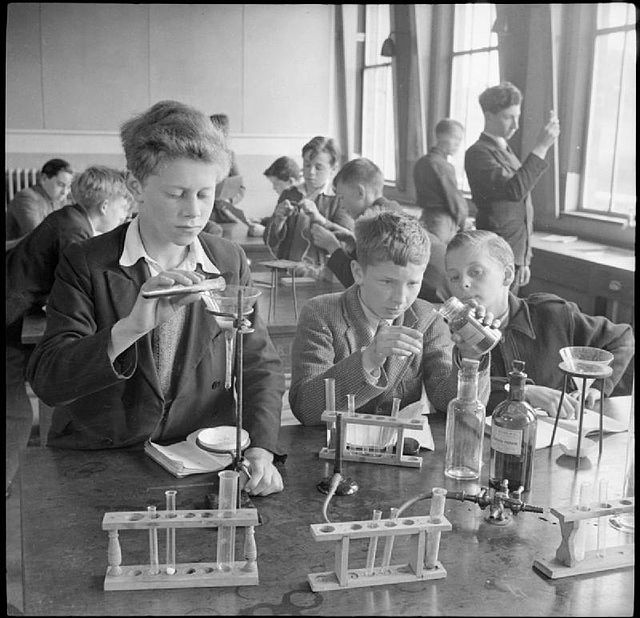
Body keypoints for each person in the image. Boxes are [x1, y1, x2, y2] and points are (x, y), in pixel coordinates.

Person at [26, 100, 286, 496]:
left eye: (204, 193)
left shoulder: (228, 260)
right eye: (177, 194)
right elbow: (49, 381)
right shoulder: (86, 263)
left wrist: (262, 450)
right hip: (103, 459)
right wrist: (129, 329)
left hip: (199, 456)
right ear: (135, 187)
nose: (194, 211)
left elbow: (258, 364)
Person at [289, 208, 500, 426]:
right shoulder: (321, 313)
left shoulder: (426, 317)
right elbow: (306, 409)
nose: (400, 299)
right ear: (358, 272)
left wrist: (470, 358)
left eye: (412, 283)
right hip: (332, 449)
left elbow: (452, 407)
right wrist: (368, 359)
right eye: (387, 282)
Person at [5, 165, 131, 494]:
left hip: (15, 303)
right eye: (123, 206)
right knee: (13, 404)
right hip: (9, 309)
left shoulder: (69, 219)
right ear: (105, 206)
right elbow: (74, 289)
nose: (125, 214)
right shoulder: (75, 232)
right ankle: (9, 479)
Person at [444, 229, 635, 417]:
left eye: (476, 272)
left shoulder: (552, 314)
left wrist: (597, 388)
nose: (464, 284)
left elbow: (621, 338)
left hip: (558, 436)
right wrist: (522, 392)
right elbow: (451, 396)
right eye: (454, 277)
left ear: (507, 275)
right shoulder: (453, 334)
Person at [464, 82, 560, 294]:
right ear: (489, 116)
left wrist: (524, 258)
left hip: (512, 253)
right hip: (494, 253)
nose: (516, 125)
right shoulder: (478, 153)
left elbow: (521, 208)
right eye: (509, 117)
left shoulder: (505, 151)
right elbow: (515, 190)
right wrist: (542, 147)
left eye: (517, 116)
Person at [311, 157, 448, 303]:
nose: (341, 205)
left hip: (433, 299)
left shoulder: (378, 222)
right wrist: (352, 242)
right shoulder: (389, 211)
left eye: (342, 197)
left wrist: (333, 247)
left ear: (359, 192)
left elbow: (361, 282)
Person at [263, 136, 354, 275]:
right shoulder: (290, 194)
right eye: (306, 165)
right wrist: (278, 221)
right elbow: (268, 240)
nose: (310, 172)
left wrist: (320, 219)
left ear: (333, 169)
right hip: (287, 274)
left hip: (321, 276)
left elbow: (348, 244)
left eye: (318, 168)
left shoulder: (339, 199)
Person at [413, 118, 469, 244]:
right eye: (455, 138)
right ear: (441, 136)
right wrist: (463, 225)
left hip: (424, 218)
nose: (457, 144)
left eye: (459, 140)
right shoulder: (443, 166)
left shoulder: (421, 163)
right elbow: (456, 204)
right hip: (442, 223)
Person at [6, 158, 74, 242]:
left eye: (68, 187)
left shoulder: (57, 201)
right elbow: (38, 237)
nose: (64, 192)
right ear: (44, 179)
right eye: (60, 184)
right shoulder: (26, 198)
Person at [208, 113, 250, 226]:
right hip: (204, 213)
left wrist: (229, 201)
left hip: (223, 214)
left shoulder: (229, 156)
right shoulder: (200, 155)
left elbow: (241, 189)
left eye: (224, 132)